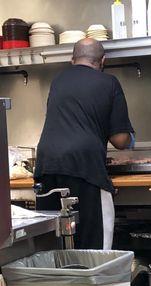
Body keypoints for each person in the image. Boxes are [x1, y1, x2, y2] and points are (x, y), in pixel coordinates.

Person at [34, 38, 135, 250]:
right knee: (94, 249)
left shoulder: (58, 80)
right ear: (103, 60)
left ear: (72, 60)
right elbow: (119, 140)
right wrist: (130, 138)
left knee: (53, 247)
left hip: (46, 166)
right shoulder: (109, 83)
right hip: (85, 168)